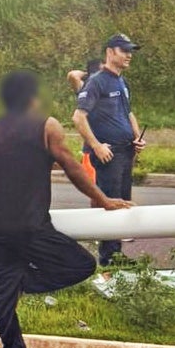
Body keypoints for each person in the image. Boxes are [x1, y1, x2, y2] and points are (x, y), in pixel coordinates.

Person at [0, 71, 132, 348]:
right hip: (29, 226)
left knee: (2, 297)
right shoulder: (46, 125)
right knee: (81, 265)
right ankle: (23, 283)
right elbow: (73, 167)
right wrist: (103, 200)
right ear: (32, 98)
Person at [72, 34, 146, 267]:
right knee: (111, 204)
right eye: (124, 50)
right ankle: (108, 258)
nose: (129, 55)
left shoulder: (121, 82)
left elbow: (128, 113)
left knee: (123, 202)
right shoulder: (98, 81)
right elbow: (78, 116)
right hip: (109, 154)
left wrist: (136, 138)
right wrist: (96, 145)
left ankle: (117, 254)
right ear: (110, 52)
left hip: (126, 152)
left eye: (130, 51)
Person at [67, 59, 103, 183]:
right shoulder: (86, 88)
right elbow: (72, 75)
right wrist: (88, 74)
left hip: (110, 143)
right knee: (94, 186)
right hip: (91, 144)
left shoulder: (110, 86)